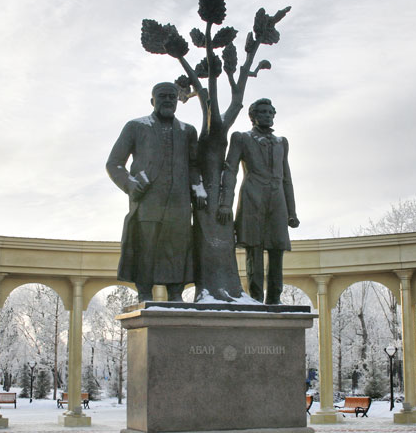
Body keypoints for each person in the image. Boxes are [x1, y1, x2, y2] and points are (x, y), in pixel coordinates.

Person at [106, 82, 207, 301]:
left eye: (172, 96)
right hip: (148, 201)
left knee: (178, 247)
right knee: (146, 247)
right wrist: (130, 184)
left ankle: (176, 294)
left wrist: (197, 187)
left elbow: (194, 165)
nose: (168, 100)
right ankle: (144, 293)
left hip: (179, 202)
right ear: (153, 101)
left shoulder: (187, 131)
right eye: (162, 96)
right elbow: (114, 163)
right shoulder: (135, 126)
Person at [217, 98, 299, 304]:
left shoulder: (282, 142)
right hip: (252, 198)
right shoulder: (241, 138)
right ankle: (255, 297)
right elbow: (230, 171)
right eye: (262, 112)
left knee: (277, 248)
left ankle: (274, 298)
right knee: (253, 248)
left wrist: (292, 212)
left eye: (270, 112)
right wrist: (225, 203)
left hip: (277, 200)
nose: (267, 115)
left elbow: (287, 178)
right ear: (252, 116)